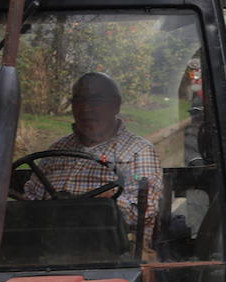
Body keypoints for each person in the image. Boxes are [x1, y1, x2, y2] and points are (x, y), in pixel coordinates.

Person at [24, 72, 162, 234]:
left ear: (116, 105)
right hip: (45, 243)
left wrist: (106, 204)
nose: (86, 108)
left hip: (110, 248)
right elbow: (28, 202)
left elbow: (145, 213)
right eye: (79, 100)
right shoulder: (57, 150)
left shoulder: (139, 151)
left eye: (96, 100)